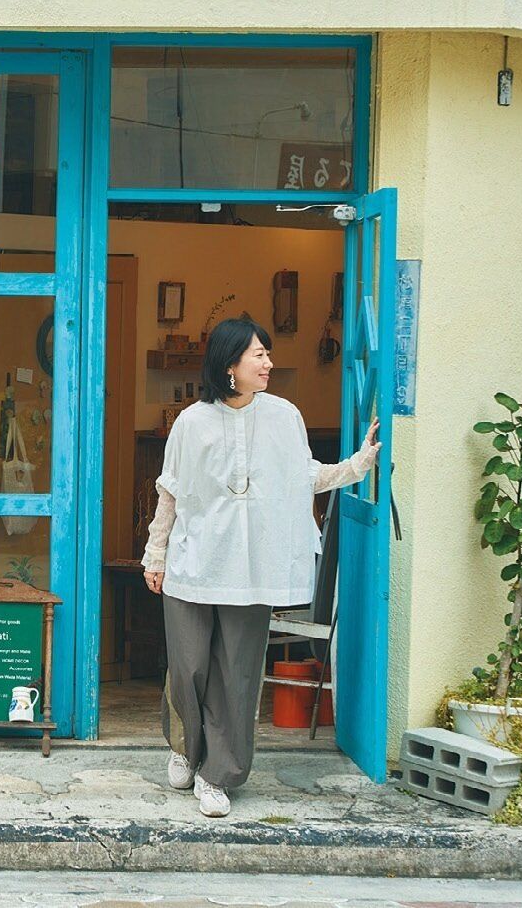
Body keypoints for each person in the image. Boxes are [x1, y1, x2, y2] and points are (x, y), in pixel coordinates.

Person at [141, 317, 380, 817]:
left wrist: (356, 466)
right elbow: (170, 492)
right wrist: (155, 553)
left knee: (238, 674)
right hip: (193, 561)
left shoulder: (284, 416)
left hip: (252, 570)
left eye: (268, 354)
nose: (269, 363)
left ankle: (217, 775)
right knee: (188, 666)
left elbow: (305, 476)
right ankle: (185, 747)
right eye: (260, 355)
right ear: (230, 364)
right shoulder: (191, 423)